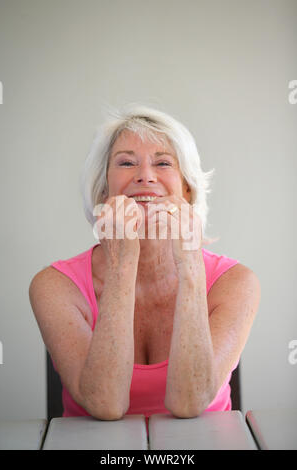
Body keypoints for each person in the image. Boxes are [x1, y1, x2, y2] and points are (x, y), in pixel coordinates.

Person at [29, 104, 261, 426]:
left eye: (163, 163)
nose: (145, 176)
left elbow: (191, 402)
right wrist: (123, 263)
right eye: (126, 162)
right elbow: (105, 403)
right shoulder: (54, 286)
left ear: (188, 191)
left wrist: (190, 263)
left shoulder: (237, 282)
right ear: (102, 190)